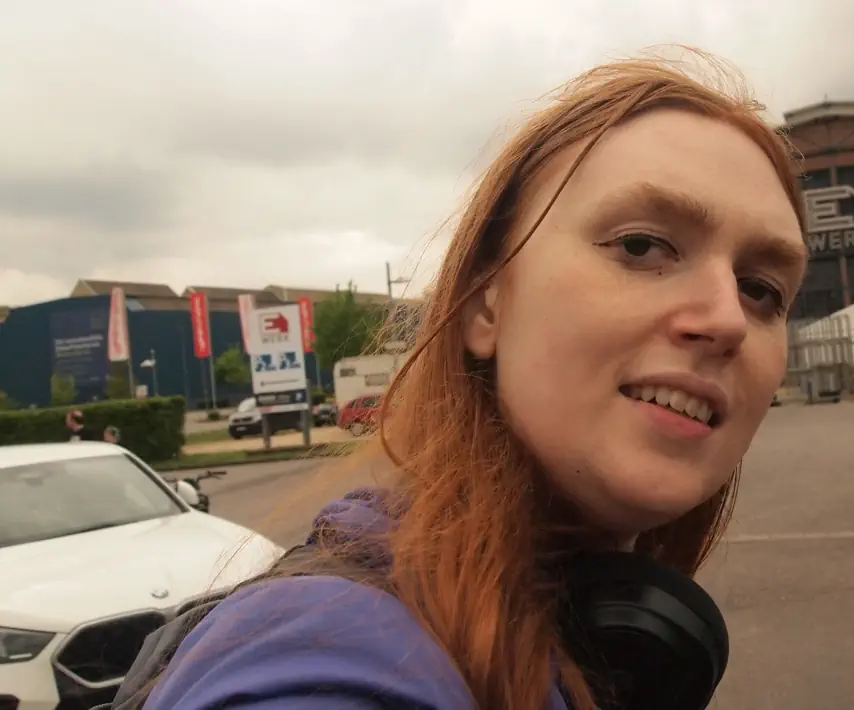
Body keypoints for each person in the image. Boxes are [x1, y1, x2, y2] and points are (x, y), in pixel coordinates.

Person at [138, 53, 808, 710]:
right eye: (641, 246)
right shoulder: (327, 657)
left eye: (761, 290)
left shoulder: (582, 633)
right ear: (487, 302)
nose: (727, 319)